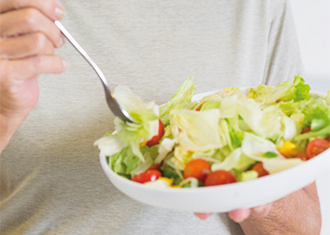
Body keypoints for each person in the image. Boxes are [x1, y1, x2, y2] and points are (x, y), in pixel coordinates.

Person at [0, 0, 322, 234]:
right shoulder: (16, 14)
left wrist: (256, 187)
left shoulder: (257, 6)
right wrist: (4, 116)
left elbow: (303, 228)